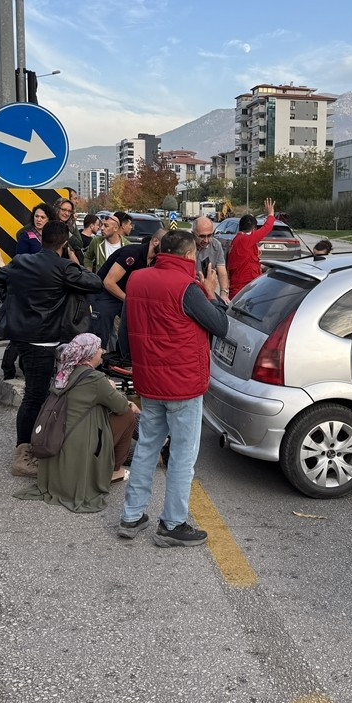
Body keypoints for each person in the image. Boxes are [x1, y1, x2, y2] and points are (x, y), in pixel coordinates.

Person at [118, 230, 229, 547]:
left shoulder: (137, 279)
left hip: (149, 382)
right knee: (182, 456)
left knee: (146, 447)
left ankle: (132, 516)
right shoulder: (188, 288)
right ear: (190, 255)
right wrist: (210, 294)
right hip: (183, 385)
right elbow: (220, 326)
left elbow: (125, 334)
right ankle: (172, 523)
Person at [0, 221, 104, 477]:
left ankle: (39, 445)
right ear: (64, 242)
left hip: (23, 337)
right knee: (35, 396)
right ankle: (23, 455)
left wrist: (16, 305)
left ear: (42, 239)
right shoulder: (63, 268)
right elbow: (95, 282)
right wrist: (73, 259)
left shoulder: (21, 261)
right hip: (43, 341)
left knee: (39, 395)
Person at [16, 334, 140, 512]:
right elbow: (120, 407)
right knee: (127, 415)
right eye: (98, 348)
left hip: (54, 443)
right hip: (76, 448)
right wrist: (113, 389)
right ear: (89, 355)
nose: (102, 351)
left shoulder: (63, 372)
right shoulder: (94, 379)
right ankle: (114, 470)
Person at [92, 228, 165, 355]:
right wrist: (130, 299)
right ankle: (96, 360)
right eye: (166, 246)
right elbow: (109, 282)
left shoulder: (154, 260)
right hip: (105, 294)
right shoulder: (132, 254)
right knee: (100, 337)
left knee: (134, 328)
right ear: (155, 242)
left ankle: (122, 357)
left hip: (124, 296)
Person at [227, 197, 277, 299]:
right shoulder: (246, 239)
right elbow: (267, 228)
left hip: (240, 287)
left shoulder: (238, 240)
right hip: (244, 289)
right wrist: (270, 215)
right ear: (254, 228)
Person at [193, 216, 230, 302]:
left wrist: (224, 293)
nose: (206, 240)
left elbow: (222, 272)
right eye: (202, 236)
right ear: (193, 234)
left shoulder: (216, 245)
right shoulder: (186, 244)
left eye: (209, 235)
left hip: (207, 289)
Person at [54, 197, 84, 262]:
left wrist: (66, 231)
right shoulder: (50, 224)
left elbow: (79, 244)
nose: (67, 213)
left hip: (70, 262)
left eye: (69, 211)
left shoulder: (72, 223)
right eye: (64, 210)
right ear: (57, 209)